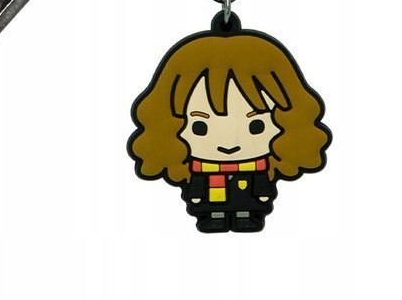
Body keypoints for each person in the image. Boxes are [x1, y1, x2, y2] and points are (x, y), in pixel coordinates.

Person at [128, 18, 331, 233]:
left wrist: (263, 193)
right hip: (210, 194)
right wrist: (195, 195)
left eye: (256, 126)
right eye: (200, 127)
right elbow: (197, 185)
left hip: (249, 194)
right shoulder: (200, 169)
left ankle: (246, 215)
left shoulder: (259, 168)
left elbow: (261, 183)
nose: (228, 143)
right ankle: (213, 216)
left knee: (247, 205)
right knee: (212, 206)